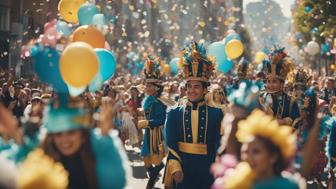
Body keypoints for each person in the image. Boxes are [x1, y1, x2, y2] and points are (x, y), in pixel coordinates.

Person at [1, 96, 129, 189]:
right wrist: (17, 138)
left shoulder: (96, 152)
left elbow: (116, 182)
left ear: (83, 135)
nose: (64, 140)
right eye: (58, 134)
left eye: (71, 132)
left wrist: (106, 142)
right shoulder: (40, 154)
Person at [164, 42, 224, 189]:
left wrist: (220, 168)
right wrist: (175, 167)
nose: (191, 90)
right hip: (183, 169)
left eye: (196, 86)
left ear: (205, 89)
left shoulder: (217, 114)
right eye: (189, 86)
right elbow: (171, 144)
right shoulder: (173, 113)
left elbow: (219, 144)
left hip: (207, 170)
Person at [215, 110, 299, 189]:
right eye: (245, 152)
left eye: (256, 152)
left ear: (273, 156)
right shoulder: (238, 183)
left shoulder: (289, 185)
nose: (248, 157)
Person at [138, 55, 167, 189]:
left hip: (156, 133)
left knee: (154, 157)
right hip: (148, 132)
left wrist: (148, 123)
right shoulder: (148, 100)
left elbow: (161, 119)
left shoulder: (160, 102)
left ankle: (153, 176)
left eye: (150, 85)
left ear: (156, 88)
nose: (147, 87)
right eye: (147, 85)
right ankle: (154, 174)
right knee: (145, 157)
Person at [259, 47, 300, 125]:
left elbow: (297, 121)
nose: (270, 85)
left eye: (274, 81)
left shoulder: (291, 101)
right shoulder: (261, 99)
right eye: (268, 81)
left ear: (282, 84)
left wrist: (284, 122)